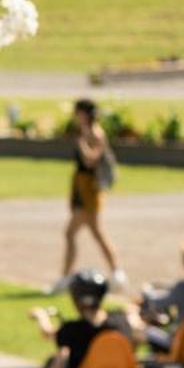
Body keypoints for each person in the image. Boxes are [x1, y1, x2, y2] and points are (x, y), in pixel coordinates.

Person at [53, 99, 123, 293]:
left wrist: (82, 143)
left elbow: (91, 160)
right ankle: (115, 272)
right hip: (80, 185)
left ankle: (66, 277)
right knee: (91, 233)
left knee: (76, 233)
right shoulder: (85, 132)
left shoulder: (96, 133)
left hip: (89, 189)